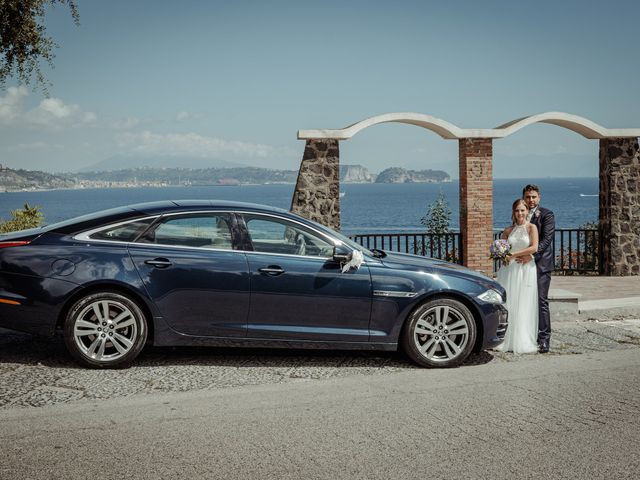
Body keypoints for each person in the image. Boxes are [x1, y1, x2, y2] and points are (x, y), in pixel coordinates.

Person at [495, 199, 539, 354]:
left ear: (527, 211)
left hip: (526, 269)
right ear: (513, 212)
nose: (520, 213)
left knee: (523, 303)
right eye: (517, 211)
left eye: (522, 210)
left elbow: (534, 247)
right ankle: (505, 339)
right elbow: (502, 251)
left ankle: (522, 340)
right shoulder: (507, 231)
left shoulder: (531, 228)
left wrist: (514, 254)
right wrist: (503, 256)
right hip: (510, 270)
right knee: (510, 303)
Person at [516, 184, 555, 353]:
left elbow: (547, 240)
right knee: (525, 300)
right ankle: (527, 335)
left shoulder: (547, 215)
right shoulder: (520, 214)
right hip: (523, 267)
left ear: (539, 197)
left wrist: (530, 255)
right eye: (527, 197)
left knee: (541, 301)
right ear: (523, 198)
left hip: (540, 265)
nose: (530, 200)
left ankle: (544, 338)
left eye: (533, 197)